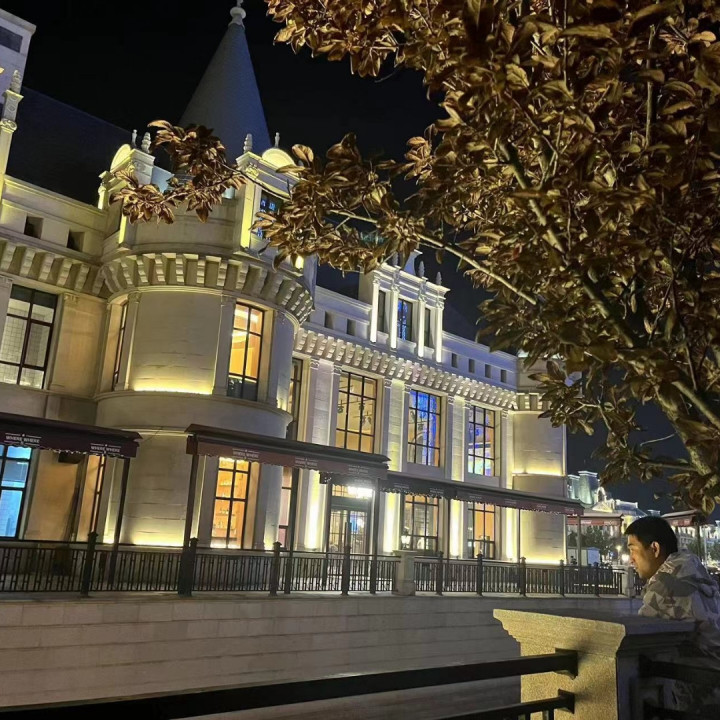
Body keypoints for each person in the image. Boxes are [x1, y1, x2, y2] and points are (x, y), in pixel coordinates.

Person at [625, 516, 720, 710]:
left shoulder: (665, 585)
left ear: (655, 549)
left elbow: (635, 642)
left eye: (633, 549)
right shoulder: (691, 569)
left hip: (704, 694)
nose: (631, 559)